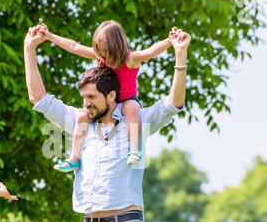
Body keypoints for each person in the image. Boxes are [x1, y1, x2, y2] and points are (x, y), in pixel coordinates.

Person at [24, 24, 191, 222]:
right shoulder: (80, 123)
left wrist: (180, 55)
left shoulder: (137, 121)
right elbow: (39, 98)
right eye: (83, 98)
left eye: (91, 98)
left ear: (111, 96)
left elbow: (173, 103)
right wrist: (29, 49)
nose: (85, 104)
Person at [35, 21, 178, 171]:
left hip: (128, 100)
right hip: (106, 103)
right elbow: (74, 46)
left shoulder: (130, 59)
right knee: (83, 114)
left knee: (130, 109)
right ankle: (74, 158)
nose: (103, 57)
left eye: (106, 53)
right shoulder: (100, 57)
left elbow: (149, 51)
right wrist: (50, 37)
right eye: (100, 52)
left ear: (118, 48)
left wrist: (169, 41)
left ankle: (134, 150)